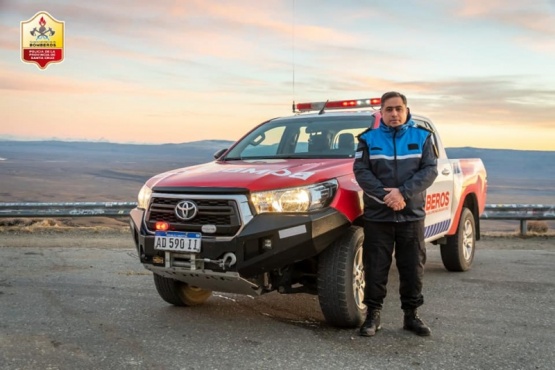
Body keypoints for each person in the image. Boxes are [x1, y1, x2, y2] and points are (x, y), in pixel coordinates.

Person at [353, 91, 438, 337]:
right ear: (381, 112)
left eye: (398, 108)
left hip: (411, 215)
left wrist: (402, 193)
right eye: (389, 109)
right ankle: (373, 316)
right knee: (376, 267)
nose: (394, 114)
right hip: (378, 216)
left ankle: (411, 316)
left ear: (406, 109)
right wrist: (386, 196)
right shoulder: (368, 139)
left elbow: (429, 170)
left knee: (412, 267)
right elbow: (361, 171)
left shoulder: (422, 137)